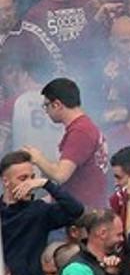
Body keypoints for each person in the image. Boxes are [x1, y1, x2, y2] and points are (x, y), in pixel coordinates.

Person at [1, 150, 84, 275]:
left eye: (32, 177)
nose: (29, 183)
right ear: (6, 181)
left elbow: (75, 209)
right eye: (23, 178)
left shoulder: (39, 210)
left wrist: (46, 184)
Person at [23, 77, 110, 208]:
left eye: (46, 105)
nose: (46, 111)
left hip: (81, 213)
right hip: (86, 206)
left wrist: (37, 158)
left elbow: (60, 175)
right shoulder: (85, 127)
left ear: (57, 104)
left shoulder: (80, 132)